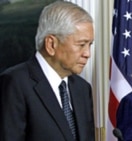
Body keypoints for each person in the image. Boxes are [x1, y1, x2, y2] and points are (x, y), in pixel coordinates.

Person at [0, 1, 95, 141]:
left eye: (89, 45)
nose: (87, 54)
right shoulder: (14, 83)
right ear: (51, 44)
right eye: (81, 45)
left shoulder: (82, 88)